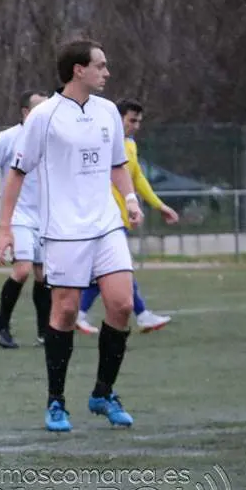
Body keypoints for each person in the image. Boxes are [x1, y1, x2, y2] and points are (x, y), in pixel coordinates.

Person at [0, 38, 143, 433]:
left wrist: (130, 199)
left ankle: (103, 393)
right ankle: (56, 401)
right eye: (100, 65)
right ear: (79, 70)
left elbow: (117, 164)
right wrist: (5, 228)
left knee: (122, 304)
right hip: (63, 231)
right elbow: (17, 173)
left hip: (106, 224)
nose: (106, 72)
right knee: (63, 312)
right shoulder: (43, 117)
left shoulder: (108, 111)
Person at [76, 99, 179, 334]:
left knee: (107, 271)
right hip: (103, 218)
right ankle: (141, 315)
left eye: (139, 121)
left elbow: (137, 177)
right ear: (117, 118)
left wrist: (159, 205)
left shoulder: (130, 144)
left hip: (120, 218)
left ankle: (80, 314)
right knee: (117, 268)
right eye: (132, 120)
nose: (136, 126)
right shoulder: (100, 142)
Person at [0, 89, 51, 349]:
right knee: (22, 269)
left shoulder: (52, 138)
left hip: (46, 217)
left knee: (43, 275)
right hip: (17, 215)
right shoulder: (8, 138)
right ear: (26, 112)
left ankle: (44, 332)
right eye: (39, 108)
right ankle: (2, 329)